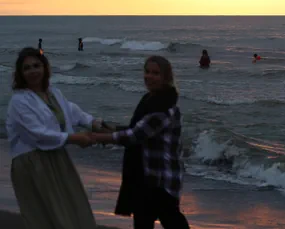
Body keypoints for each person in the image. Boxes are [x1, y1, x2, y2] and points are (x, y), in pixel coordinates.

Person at [5, 47, 104, 229]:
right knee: (49, 215)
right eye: (27, 68)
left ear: (44, 67)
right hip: (32, 163)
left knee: (71, 209)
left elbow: (72, 112)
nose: (33, 71)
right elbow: (37, 134)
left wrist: (93, 123)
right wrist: (75, 138)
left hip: (57, 158)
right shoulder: (19, 101)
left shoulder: (53, 94)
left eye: (36, 65)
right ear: (20, 73)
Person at [89, 56, 190, 229]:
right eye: (147, 71)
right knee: (143, 221)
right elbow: (136, 127)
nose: (149, 76)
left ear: (166, 77)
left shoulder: (164, 108)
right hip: (145, 176)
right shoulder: (150, 99)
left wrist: (95, 137)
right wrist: (108, 127)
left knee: (171, 221)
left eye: (156, 73)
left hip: (161, 179)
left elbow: (133, 136)